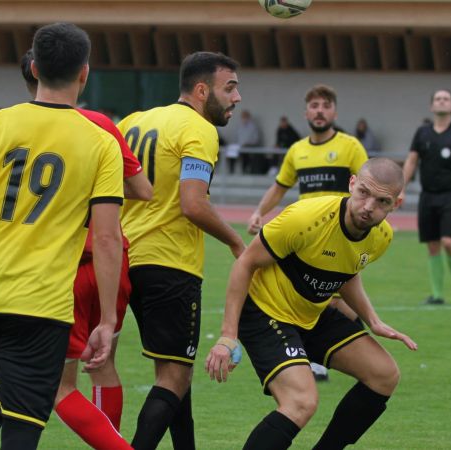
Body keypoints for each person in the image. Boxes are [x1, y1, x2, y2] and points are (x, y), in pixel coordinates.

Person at [0, 22, 124, 449]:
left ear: (33, 67)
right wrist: (107, 320)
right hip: (40, 305)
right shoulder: (100, 142)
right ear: (84, 73)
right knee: (22, 424)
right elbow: (107, 238)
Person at [207, 158, 417, 450]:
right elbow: (245, 263)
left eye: (382, 201)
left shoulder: (381, 237)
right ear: (352, 184)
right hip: (265, 311)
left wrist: (373, 320)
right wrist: (227, 336)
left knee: (384, 374)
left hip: (311, 313)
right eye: (364, 193)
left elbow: (347, 273)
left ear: (397, 203)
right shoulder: (306, 219)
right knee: (301, 402)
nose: (369, 207)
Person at [19, 49, 150, 449]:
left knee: (60, 386)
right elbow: (144, 190)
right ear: (81, 73)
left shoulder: (14, 127)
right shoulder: (99, 124)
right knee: (104, 362)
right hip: (113, 261)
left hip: (66, 266)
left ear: (33, 76)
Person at [118, 51, 246, 450]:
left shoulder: (133, 121)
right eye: (230, 87)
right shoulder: (200, 129)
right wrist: (236, 241)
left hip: (126, 258)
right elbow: (193, 205)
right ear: (202, 89)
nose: (237, 98)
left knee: (176, 371)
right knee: (173, 378)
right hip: (170, 264)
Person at [247, 84, 369, 381]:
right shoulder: (297, 151)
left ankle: (354, 346)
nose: (319, 111)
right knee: (320, 296)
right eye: (314, 105)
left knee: (334, 298)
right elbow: (280, 186)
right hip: (306, 237)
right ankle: (328, 355)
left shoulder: (350, 146)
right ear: (306, 113)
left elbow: (370, 183)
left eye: (325, 106)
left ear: (334, 112)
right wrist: (260, 211)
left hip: (341, 236)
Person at [401, 89, 451, 306]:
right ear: (432, 106)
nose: (441, 102)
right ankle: (437, 295)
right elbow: (411, 161)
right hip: (427, 196)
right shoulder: (422, 133)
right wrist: (401, 188)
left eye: (446, 99)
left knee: (449, 242)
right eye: (438, 99)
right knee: (432, 245)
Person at [236, 109, 263, 174]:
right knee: (231, 152)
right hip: (240, 147)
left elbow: (256, 139)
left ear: (248, 117)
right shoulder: (239, 127)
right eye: (243, 117)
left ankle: (247, 170)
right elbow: (237, 138)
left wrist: (247, 144)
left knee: (246, 154)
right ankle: (236, 171)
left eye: (245, 117)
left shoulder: (253, 127)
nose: (244, 118)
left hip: (250, 146)